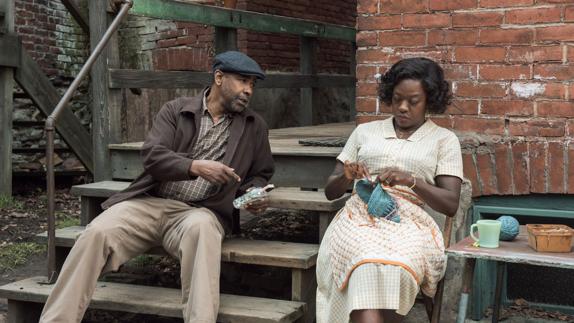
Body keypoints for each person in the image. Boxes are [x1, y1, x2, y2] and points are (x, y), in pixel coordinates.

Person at [39, 51, 275, 323]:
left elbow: (260, 173)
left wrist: (253, 195)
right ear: (219, 78)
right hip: (149, 203)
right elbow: (152, 156)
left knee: (203, 232)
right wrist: (195, 166)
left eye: (252, 85)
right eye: (243, 81)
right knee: (96, 233)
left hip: (198, 212)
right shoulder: (177, 110)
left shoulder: (254, 126)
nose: (248, 90)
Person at [316, 57, 463, 323]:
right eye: (397, 99)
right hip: (358, 218)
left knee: (390, 266)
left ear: (430, 99)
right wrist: (346, 176)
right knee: (365, 261)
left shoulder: (444, 140)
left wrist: (412, 181)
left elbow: (451, 203)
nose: (403, 107)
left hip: (408, 224)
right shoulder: (365, 132)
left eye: (413, 101)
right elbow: (330, 190)